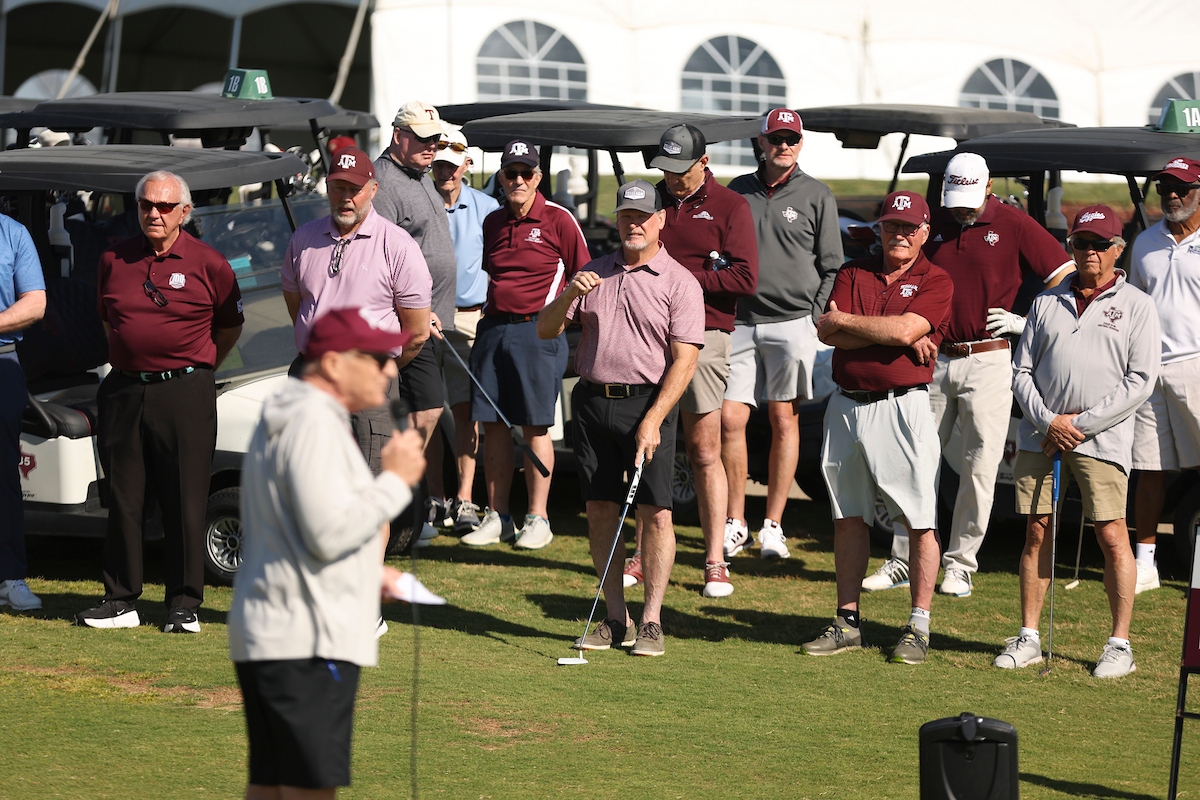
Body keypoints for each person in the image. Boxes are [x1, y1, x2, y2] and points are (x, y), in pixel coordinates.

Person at [228, 307, 428, 798]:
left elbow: (297, 526)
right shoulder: (313, 422)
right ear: (336, 363)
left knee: (272, 783)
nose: (390, 367)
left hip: (278, 629)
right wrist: (396, 483)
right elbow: (326, 532)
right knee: (306, 787)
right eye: (378, 357)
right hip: (305, 639)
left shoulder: (293, 413)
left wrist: (366, 572)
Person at [863, 153, 1074, 599]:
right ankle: (904, 556)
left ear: (989, 186)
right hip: (933, 357)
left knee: (981, 465)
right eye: (955, 199)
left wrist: (1025, 321)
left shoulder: (1013, 223)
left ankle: (960, 564)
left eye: (970, 199)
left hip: (990, 359)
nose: (962, 209)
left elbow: (1064, 274)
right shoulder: (932, 222)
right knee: (917, 460)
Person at [538, 180, 703, 657]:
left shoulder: (678, 281)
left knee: (656, 513)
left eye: (642, 217)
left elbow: (685, 360)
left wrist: (653, 419)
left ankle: (651, 620)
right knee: (600, 511)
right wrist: (569, 292)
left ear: (660, 221)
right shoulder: (592, 273)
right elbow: (546, 330)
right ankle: (615, 618)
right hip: (591, 402)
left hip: (648, 404)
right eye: (626, 216)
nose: (633, 224)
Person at [996, 205, 1159, 678]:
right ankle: (1028, 636)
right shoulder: (1046, 302)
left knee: (1111, 534)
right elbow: (1021, 370)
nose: (1089, 252)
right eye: (1080, 243)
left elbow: (1141, 379)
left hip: (1101, 440)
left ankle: (1119, 645)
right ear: (1070, 246)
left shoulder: (1137, 305)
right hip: (1042, 437)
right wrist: (1049, 422)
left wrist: (1080, 424)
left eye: (1099, 244)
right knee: (1037, 531)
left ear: (1117, 249)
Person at [77, 170, 244, 632]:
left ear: (184, 213)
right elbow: (110, 320)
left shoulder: (209, 262)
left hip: (184, 391)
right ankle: (120, 599)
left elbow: (229, 327)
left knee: (185, 499)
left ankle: (184, 604)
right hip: (125, 388)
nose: (154, 213)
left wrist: (194, 364)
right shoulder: (113, 257)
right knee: (125, 499)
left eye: (165, 206)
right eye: (146, 204)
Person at [803, 190, 953, 665]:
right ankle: (847, 621)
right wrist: (893, 331)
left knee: (919, 518)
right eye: (892, 226)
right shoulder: (853, 271)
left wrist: (858, 323)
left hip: (901, 406)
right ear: (881, 229)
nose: (900, 234)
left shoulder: (937, 278)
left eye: (910, 228)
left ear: (925, 232)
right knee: (847, 516)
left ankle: (918, 625)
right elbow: (828, 332)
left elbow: (903, 331)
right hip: (846, 404)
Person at [723, 108, 841, 582]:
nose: (784, 145)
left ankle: (772, 524)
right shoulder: (737, 191)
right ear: (763, 141)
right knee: (730, 418)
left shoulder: (816, 194)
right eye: (777, 138)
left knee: (782, 417)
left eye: (791, 138)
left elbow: (832, 265)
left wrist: (814, 316)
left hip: (792, 322)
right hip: (739, 322)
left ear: (800, 143)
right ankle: (735, 521)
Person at [642, 123, 758, 599]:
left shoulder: (732, 206)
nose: (670, 181)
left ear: (704, 163)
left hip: (705, 336)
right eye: (664, 170)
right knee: (647, 445)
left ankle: (714, 560)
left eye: (679, 171)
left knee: (704, 449)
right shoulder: (652, 198)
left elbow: (745, 277)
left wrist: (679, 278)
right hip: (647, 333)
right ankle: (643, 548)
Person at [460, 138, 589, 550]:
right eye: (510, 173)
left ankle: (539, 518)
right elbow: (495, 275)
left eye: (525, 173)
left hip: (538, 332)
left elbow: (583, 276)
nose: (517, 179)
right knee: (493, 425)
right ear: (500, 176)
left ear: (538, 177)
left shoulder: (558, 219)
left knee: (535, 427)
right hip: (493, 329)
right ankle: (499, 515)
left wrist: (562, 318)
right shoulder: (493, 222)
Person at [279, 148, 433, 492]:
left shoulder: (397, 245)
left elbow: (417, 332)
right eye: (338, 188)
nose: (346, 198)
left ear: (373, 190)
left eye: (355, 189)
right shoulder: (303, 239)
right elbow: (297, 304)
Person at [372, 100, 458, 539]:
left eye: (435, 140)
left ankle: (409, 506)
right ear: (398, 136)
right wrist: (416, 312)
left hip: (431, 323)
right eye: (423, 139)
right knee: (418, 415)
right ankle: (399, 510)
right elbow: (376, 256)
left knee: (425, 414)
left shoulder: (419, 175)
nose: (432, 147)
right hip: (407, 323)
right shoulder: (383, 182)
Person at [1128, 156, 1200, 594]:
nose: (1172, 195)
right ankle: (1146, 564)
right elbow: (1135, 305)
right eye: (1165, 187)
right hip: (1150, 370)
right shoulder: (1145, 242)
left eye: (1183, 187)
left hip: (1197, 364)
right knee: (1148, 467)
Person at [429, 126, 500, 536]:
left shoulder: (488, 208)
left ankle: (466, 498)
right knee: (427, 411)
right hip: (422, 317)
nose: (446, 173)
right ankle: (436, 499)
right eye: (439, 165)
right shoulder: (419, 204)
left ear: (466, 165)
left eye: (453, 166)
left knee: (465, 412)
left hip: (469, 319)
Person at [0, 215, 46, 612]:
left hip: (2, 362)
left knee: (3, 474)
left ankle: (10, 576)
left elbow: (35, 302)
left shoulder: (12, 234)